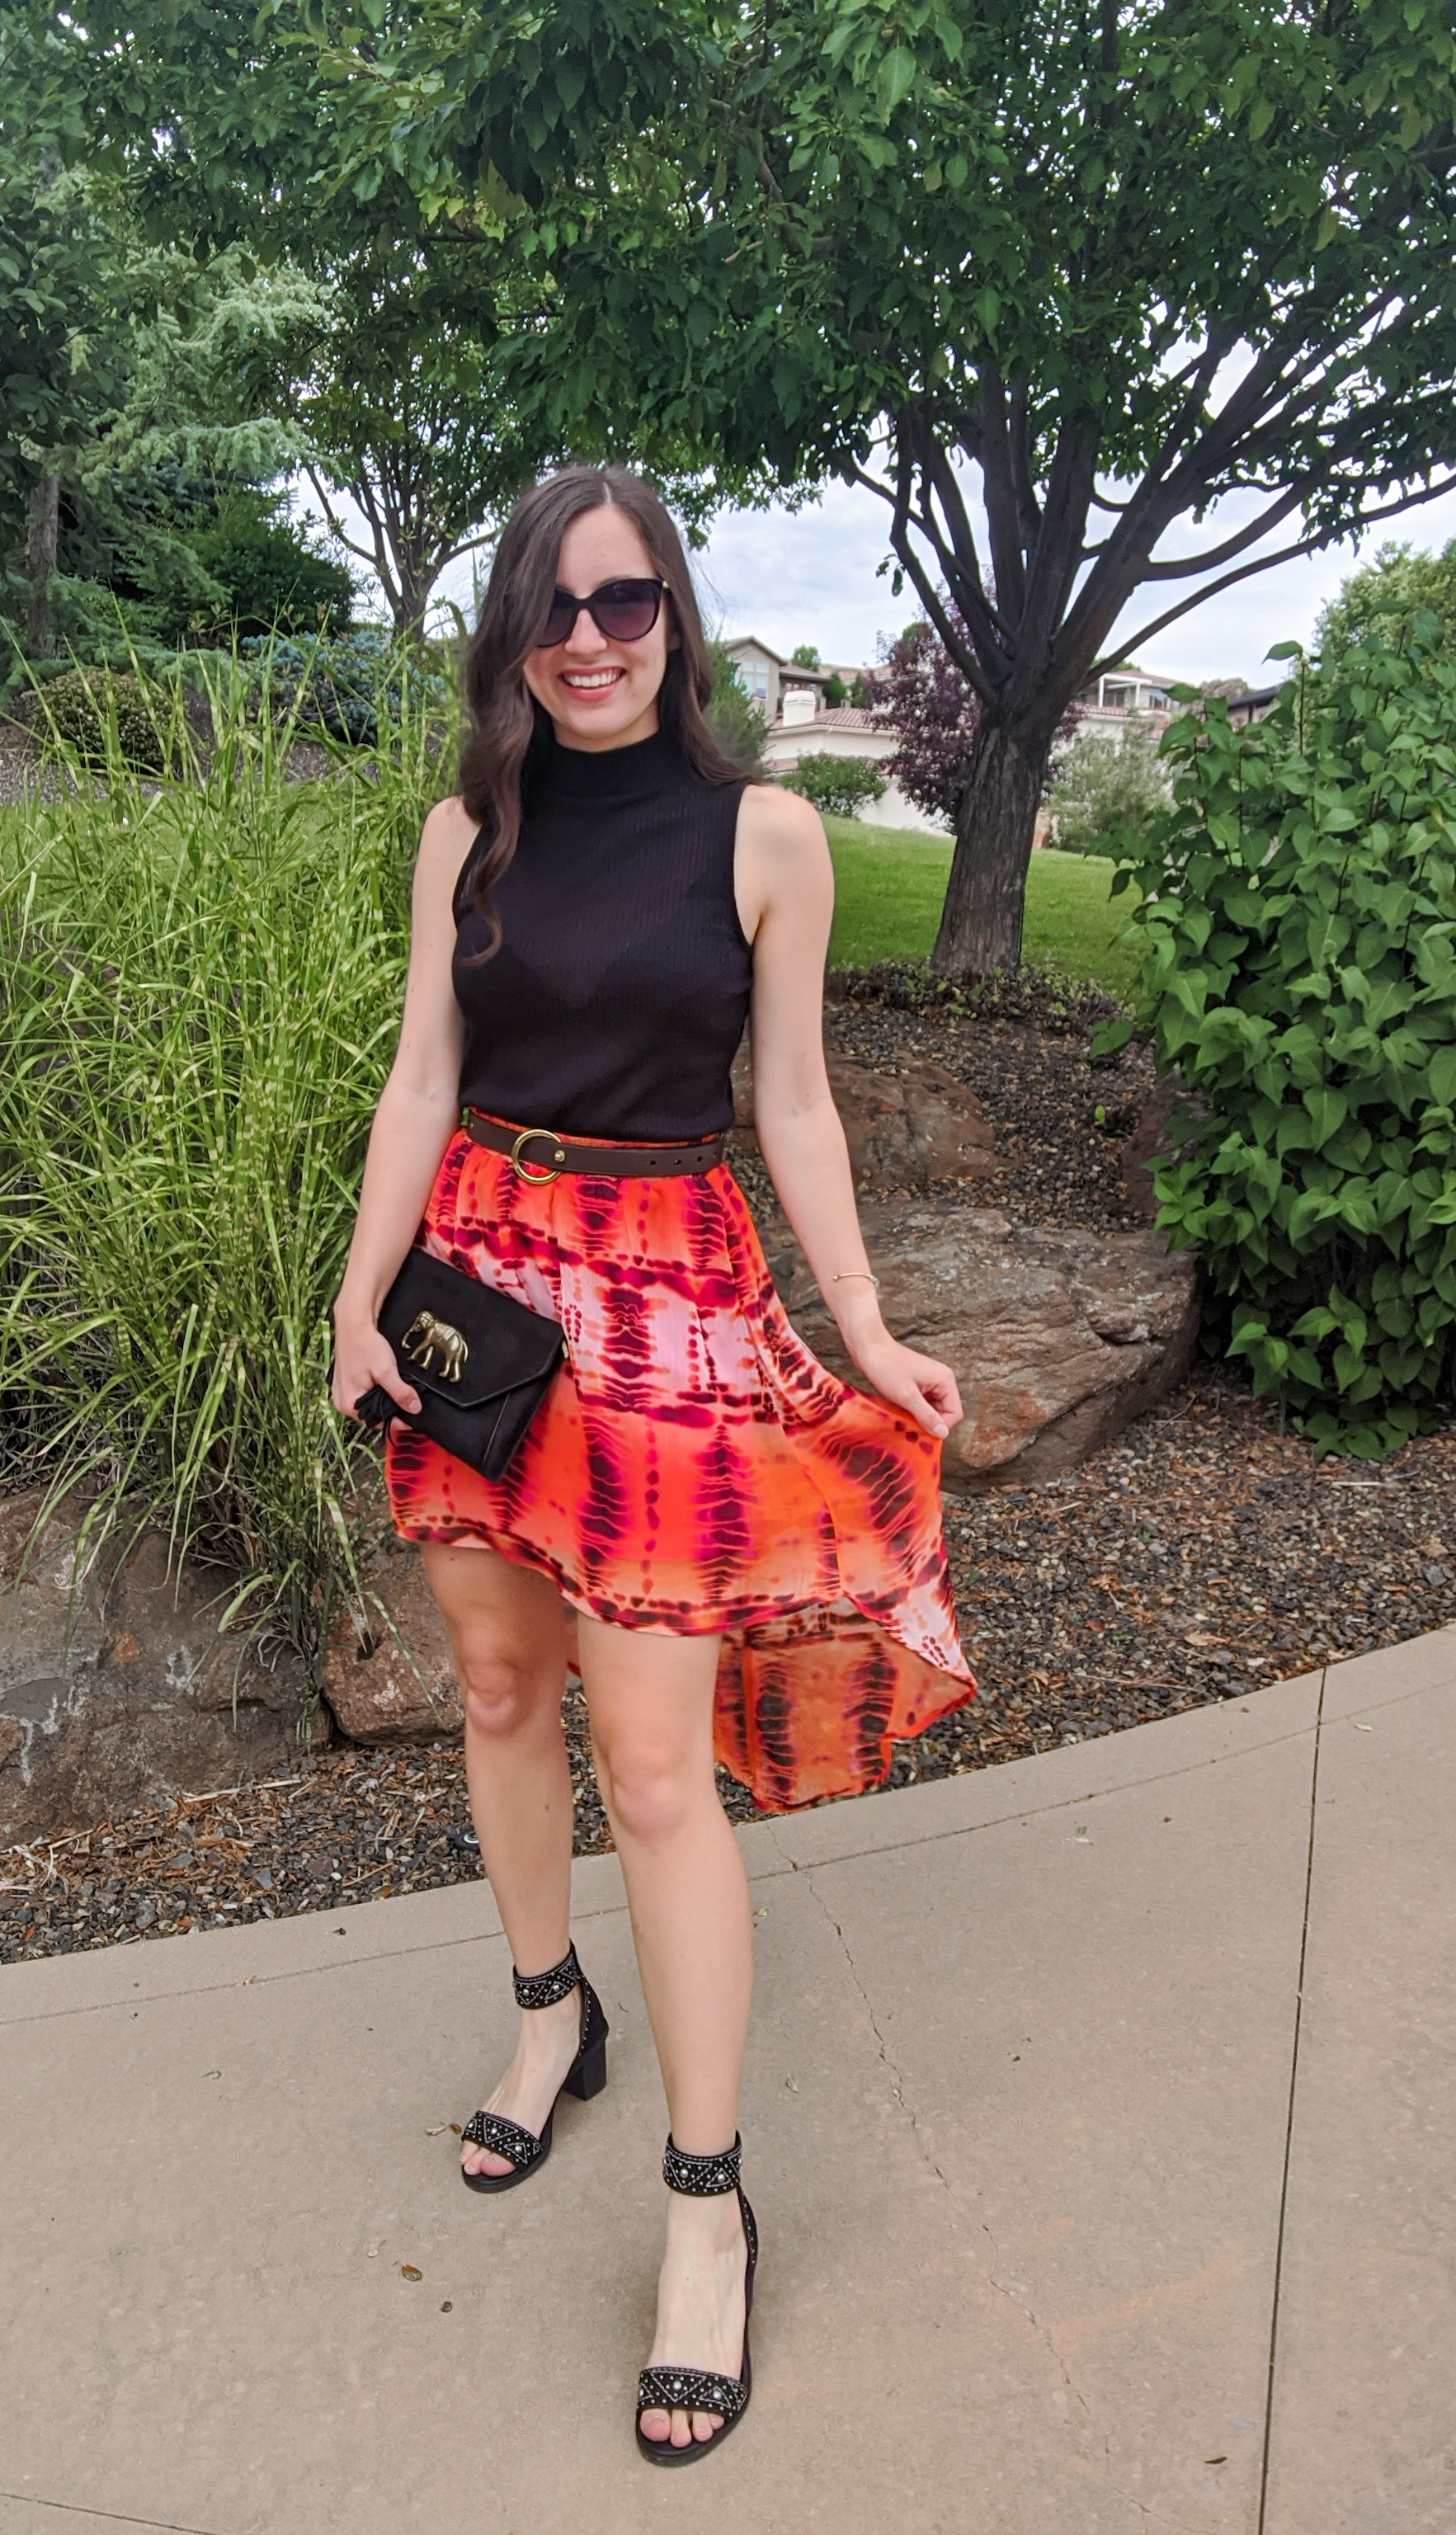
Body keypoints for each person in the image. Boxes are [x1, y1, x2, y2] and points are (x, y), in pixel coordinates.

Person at [330, 464, 973, 2463]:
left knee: (662, 1771)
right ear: (512, 628)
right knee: (500, 1688)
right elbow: (425, 1073)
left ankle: (710, 2212)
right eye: (556, 606)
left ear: (677, 619)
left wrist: (862, 1323)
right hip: (481, 1303)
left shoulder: (764, 833)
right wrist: (361, 1298)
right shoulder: (468, 829)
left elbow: (793, 1095)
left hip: (668, 1309)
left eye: (627, 605)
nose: (592, 641)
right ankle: (552, 2017)